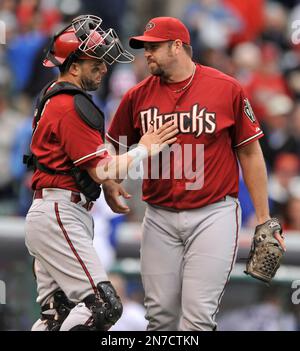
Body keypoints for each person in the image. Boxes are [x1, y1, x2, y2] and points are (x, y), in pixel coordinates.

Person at [104, 16, 286, 331]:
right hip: (159, 214)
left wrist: (263, 217)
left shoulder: (226, 88)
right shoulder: (137, 96)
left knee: (197, 320)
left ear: (178, 46)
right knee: (160, 319)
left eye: (153, 47)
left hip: (213, 212)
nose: (146, 53)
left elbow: (250, 152)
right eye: (144, 47)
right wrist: (109, 182)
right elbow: (113, 146)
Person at [24, 14, 178, 331]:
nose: (104, 68)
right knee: (104, 306)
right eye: (96, 62)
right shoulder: (69, 103)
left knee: (57, 316)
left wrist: (106, 181)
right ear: (75, 65)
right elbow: (101, 167)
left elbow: (89, 167)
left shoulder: (57, 97)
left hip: (54, 210)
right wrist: (144, 147)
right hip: (59, 212)